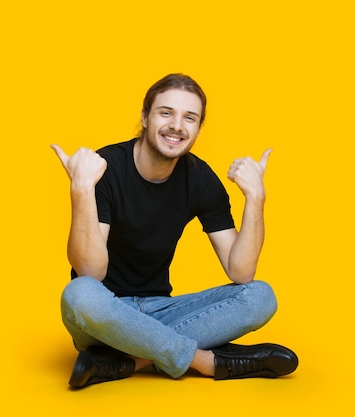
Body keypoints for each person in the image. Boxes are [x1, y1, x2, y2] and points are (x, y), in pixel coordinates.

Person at [51, 73, 298, 389]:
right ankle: (206, 362)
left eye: (189, 118)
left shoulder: (200, 180)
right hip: (105, 315)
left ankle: (130, 360)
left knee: (261, 297)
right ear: (145, 117)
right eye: (166, 112)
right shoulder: (105, 167)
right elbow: (90, 271)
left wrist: (256, 197)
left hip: (162, 309)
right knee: (79, 293)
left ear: (197, 128)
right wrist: (81, 189)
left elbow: (242, 272)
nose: (177, 126)